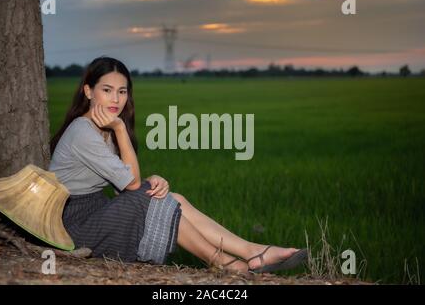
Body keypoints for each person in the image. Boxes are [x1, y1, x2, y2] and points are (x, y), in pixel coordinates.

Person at [49, 56, 307, 274]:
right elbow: (132, 184)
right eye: (106, 90)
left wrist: (150, 178)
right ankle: (223, 262)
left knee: (171, 197)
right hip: (74, 227)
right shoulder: (85, 131)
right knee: (152, 195)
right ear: (87, 91)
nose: (115, 99)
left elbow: (124, 186)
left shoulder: (103, 129)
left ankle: (252, 251)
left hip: (95, 211)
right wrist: (120, 129)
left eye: (122, 91)